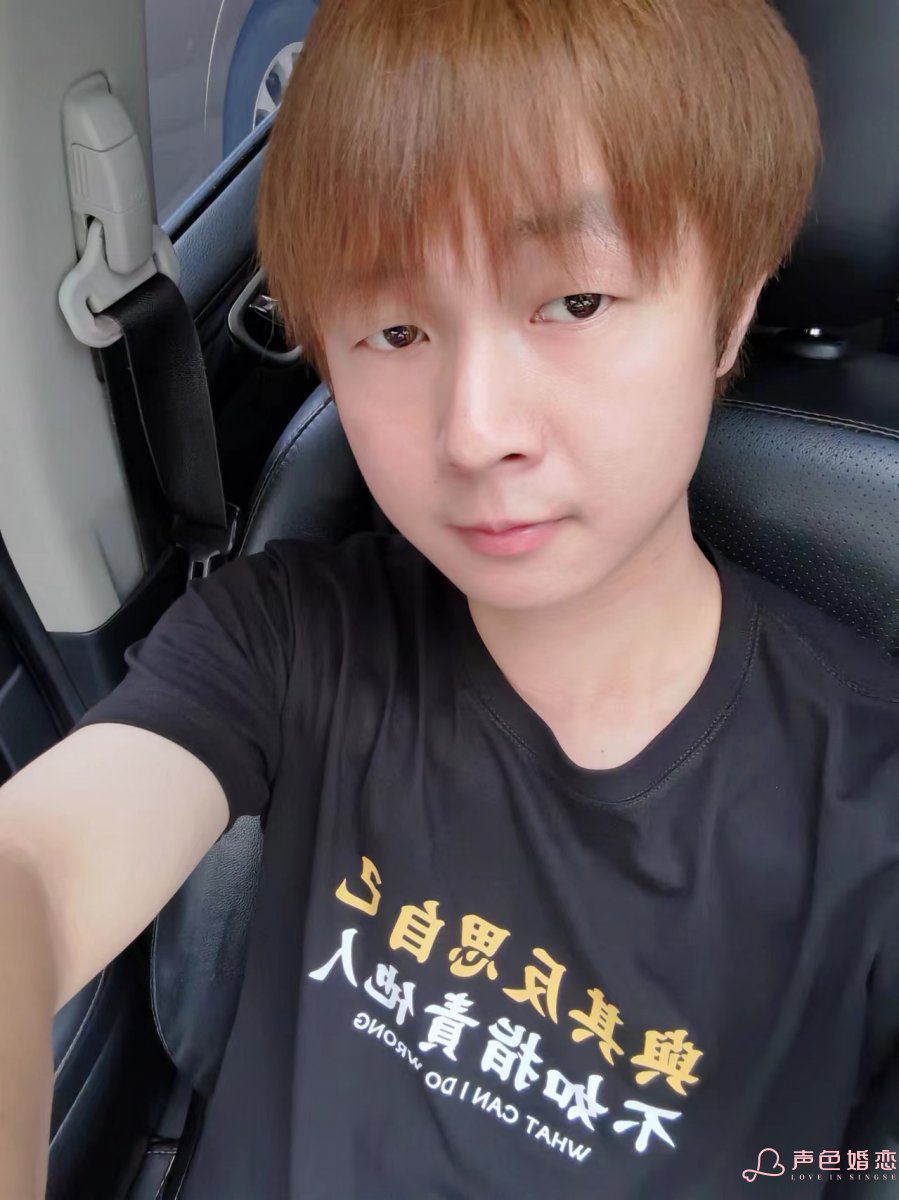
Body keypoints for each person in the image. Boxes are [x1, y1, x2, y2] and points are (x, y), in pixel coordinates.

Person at [1, 0, 897, 1196]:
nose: (475, 432)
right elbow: (35, 871)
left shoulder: (868, 802)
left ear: (728, 310)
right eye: (394, 328)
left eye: (573, 302)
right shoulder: (285, 636)